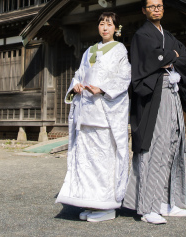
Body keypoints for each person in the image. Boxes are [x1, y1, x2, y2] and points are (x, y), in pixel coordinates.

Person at [122, 0, 186, 224]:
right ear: (144, 10)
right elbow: (152, 61)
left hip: (171, 90)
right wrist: (168, 57)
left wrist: (168, 57)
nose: (156, 9)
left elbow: (183, 55)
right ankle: (147, 207)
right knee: (156, 146)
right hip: (154, 93)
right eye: (151, 6)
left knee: (174, 142)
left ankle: (168, 202)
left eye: (159, 6)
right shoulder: (142, 35)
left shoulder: (168, 34)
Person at [56, 12, 131, 223]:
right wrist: (76, 86)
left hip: (104, 113)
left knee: (104, 160)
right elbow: (79, 74)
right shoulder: (89, 50)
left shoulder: (120, 50)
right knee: (87, 160)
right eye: (101, 23)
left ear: (116, 28)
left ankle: (107, 205)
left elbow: (124, 77)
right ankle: (90, 202)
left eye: (109, 24)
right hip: (86, 111)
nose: (105, 27)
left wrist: (103, 88)